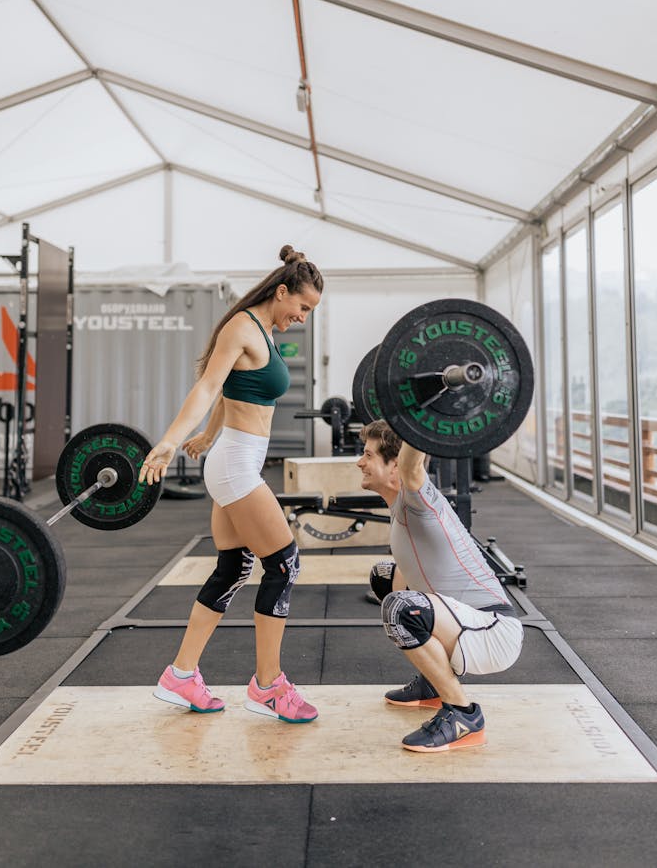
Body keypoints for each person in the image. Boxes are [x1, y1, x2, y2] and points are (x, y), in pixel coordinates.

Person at [139, 244, 323, 724]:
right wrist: (170, 441)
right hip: (236, 466)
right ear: (281, 292)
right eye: (302, 307)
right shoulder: (242, 327)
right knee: (283, 565)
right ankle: (268, 687)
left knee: (234, 567)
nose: (302, 318)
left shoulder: (263, 330)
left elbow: (233, 389)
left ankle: (181, 675)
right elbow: (206, 385)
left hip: (234, 458)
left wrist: (207, 434)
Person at [356, 420, 523, 752]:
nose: (359, 461)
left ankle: (463, 716)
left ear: (394, 469)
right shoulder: (400, 506)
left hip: (492, 632)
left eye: (368, 454)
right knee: (384, 576)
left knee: (400, 611)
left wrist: (417, 415)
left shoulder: (418, 498)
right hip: (467, 623)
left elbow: (412, 463)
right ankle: (433, 684)